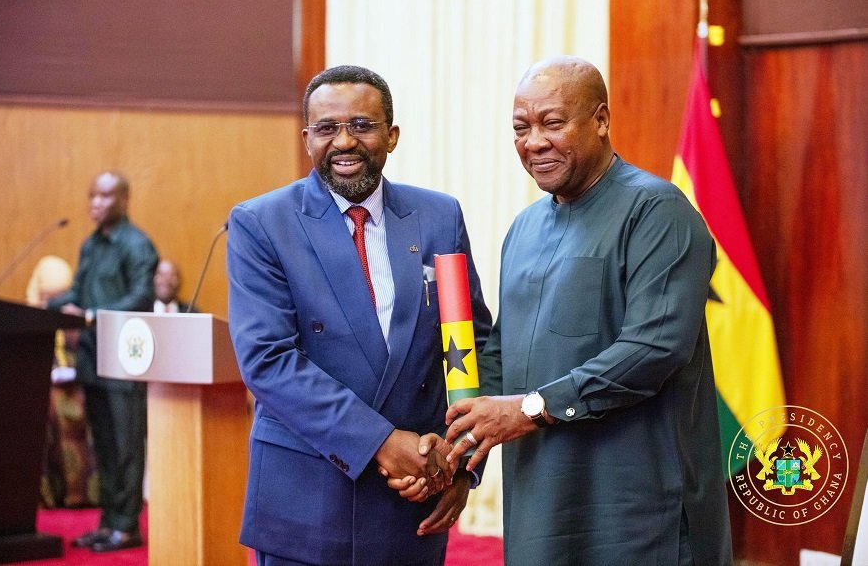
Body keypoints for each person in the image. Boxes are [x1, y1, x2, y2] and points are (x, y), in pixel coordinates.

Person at [442, 56, 733, 565]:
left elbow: (654, 349)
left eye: (552, 123)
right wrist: (453, 448)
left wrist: (528, 409)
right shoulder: (524, 229)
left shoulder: (657, 211)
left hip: (640, 515)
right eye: (521, 128)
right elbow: (500, 353)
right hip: (540, 510)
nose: (534, 142)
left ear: (600, 120)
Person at [226, 64, 492, 566]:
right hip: (307, 503)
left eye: (362, 125)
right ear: (308, 139)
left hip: (414, 498)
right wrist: (382, 443)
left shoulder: (439, 217)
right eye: (327, 128)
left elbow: (471, 346)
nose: (344, 141)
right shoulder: (261, 223)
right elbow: (267, 360)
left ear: (391, 136)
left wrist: (462, 465)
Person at [49, 171, 159, 553]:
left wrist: (93, 312)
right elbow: (77, 291)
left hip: (126, 360)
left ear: (124, 199)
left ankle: (127, 526)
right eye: (92, 195)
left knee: (126, 446)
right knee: (105, 449)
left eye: (105, 196)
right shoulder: (89, 246)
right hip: (92, 358)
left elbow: (141, 297)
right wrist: (49, 306)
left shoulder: (137, 244)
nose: (96, 202)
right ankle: (108, 523)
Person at [27, 255, 97, 509]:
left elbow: (85, 353)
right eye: (47, 296)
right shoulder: (27, 316)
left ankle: (79, 493)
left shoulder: (73, 315)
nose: (53, 303)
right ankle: (49, 492)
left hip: (77, 386)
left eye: (59, 295)